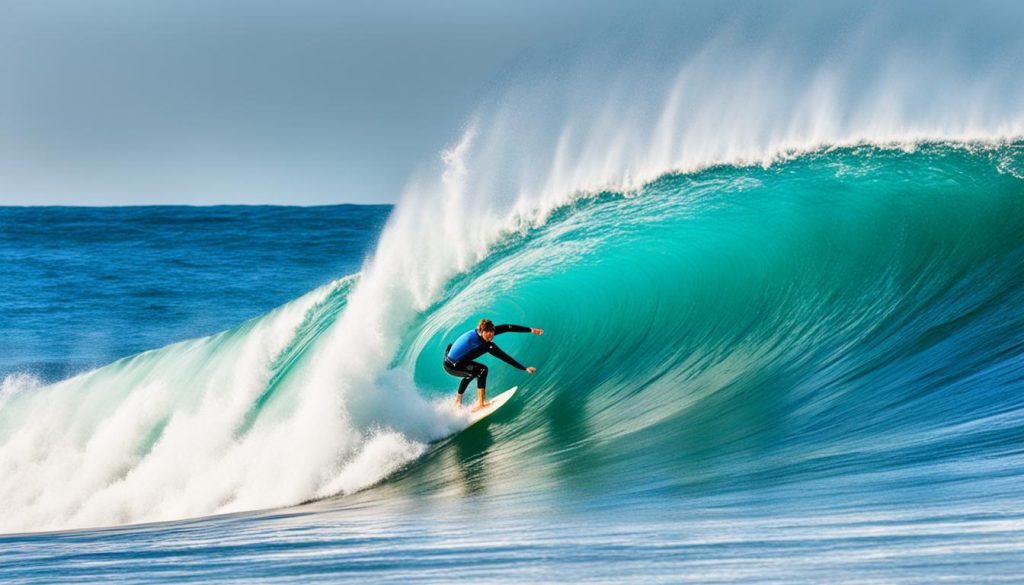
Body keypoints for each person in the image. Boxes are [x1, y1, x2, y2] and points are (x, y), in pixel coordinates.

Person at [443, 318, 542, 409]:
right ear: (481, 331)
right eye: (487, 332)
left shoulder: (485, 332)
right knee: (481, 370)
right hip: (451, 365)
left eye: (492, 331)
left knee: (474, 370)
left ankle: (458, 400)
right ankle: (480, 404)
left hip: (456, 357)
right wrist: (524, 368)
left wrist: (531, 330)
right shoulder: (474, 340)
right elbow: (503, 356)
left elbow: (507, 327)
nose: (490, 335)